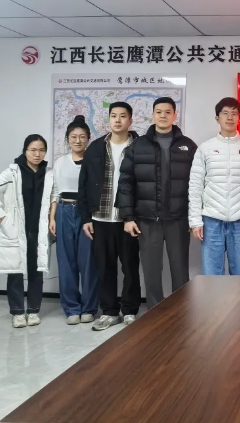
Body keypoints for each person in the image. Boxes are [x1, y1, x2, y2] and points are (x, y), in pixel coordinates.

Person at [117, 97, 197, 309]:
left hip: (178, 219)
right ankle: (154, 311)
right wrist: (128, 217)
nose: (163, 116)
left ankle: (181, 311)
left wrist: (195, 217)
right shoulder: (138, 145)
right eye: (159, 112)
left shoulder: (188, 146)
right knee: (151, 271)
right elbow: (126, 182)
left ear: (174, 115)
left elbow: (199, 183)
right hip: (147, 219)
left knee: (180, 270)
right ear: (152, 115)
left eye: (167, 112)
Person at [78, 102, 141, 331]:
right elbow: (84, 184)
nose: (118, 120)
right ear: (109, 119)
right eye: (114, 116)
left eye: (123, 116)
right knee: (105, 268)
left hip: (128, 220)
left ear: (130, 121)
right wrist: (86, 218)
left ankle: (130, 310)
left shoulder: (140, 147)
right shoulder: (96, 148)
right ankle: (109, 311)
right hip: (101, 218)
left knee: (130, 267)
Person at [189, 97, 240, 276]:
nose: (230, 117)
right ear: (217, 118)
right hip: (211, 220)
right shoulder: (205, 148)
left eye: (234, 114)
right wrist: (195, 221)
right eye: (225, 113)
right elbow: (195, 186)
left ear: (239, 118)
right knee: (212, 275)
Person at [0, 135, 54, 328]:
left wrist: (52, 218)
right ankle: (17, 313)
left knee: (36, 271)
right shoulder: (12, 172)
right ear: (25, 151)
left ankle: (33, 311)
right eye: (33, 150)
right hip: (16, 228)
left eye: (41, 150)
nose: (37, 154)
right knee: (15, 272)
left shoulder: (49, 173)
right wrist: (1, 215)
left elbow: (55, 196)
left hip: (38, 228)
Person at [50, 116, 99, 325]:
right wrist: (52, 218)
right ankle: (71, 308)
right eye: (73, 137)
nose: (78, 141)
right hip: (63, 211)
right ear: (67, 139)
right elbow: (55, 191)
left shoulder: (94, 161)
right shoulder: (60, 162)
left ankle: (89, 307)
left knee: (89, 262)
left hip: (87, 214)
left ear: (88, 138)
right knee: (66, 261)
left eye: (82, 137)